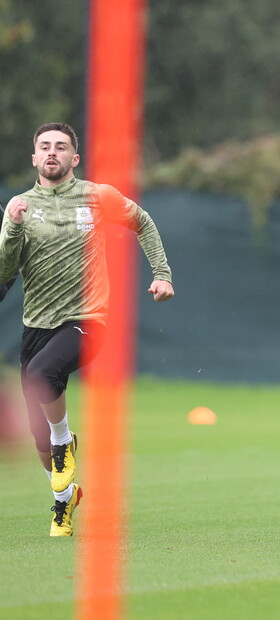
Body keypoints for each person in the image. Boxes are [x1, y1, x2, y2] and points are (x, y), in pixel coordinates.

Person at [0, 122, 175, 537]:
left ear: (74, 158)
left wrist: (162, 274)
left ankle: (65, 441)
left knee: (43, 377)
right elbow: (5, 271)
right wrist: (12, 227)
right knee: (38, 439)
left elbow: (143, 222)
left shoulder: (98, 196)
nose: (52, 152)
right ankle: (65, 500)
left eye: (61, 147)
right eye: (44, 146)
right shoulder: (20, 206)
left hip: (87, 320)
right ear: (34, 158)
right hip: (36, 327)